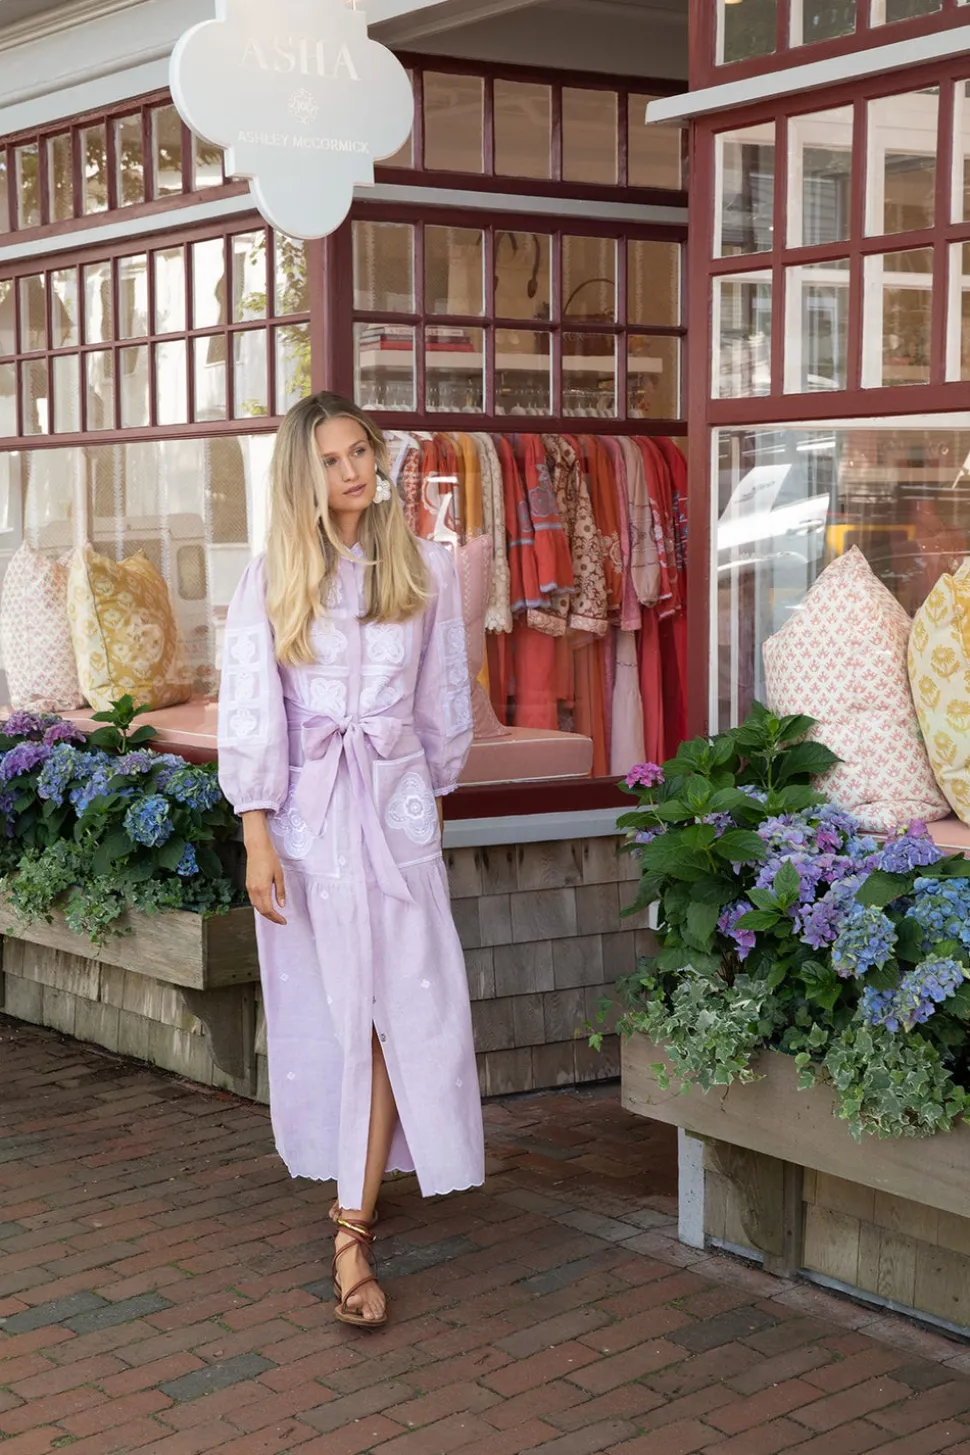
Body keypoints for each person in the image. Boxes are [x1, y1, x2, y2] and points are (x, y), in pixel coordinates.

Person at [217, 392, 485, 1329]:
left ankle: (352, 1224)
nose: (353, 471)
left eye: (360, 452)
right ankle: (355, 1211)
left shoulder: (422, 568)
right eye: (331, 460)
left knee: (404, 1005)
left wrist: (431, 797)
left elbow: (442, 700)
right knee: (347, 1015)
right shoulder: (272, 578)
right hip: (311, 825)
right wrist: (255, 833)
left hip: (399, 818)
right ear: (305, 475)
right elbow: (252, 709)